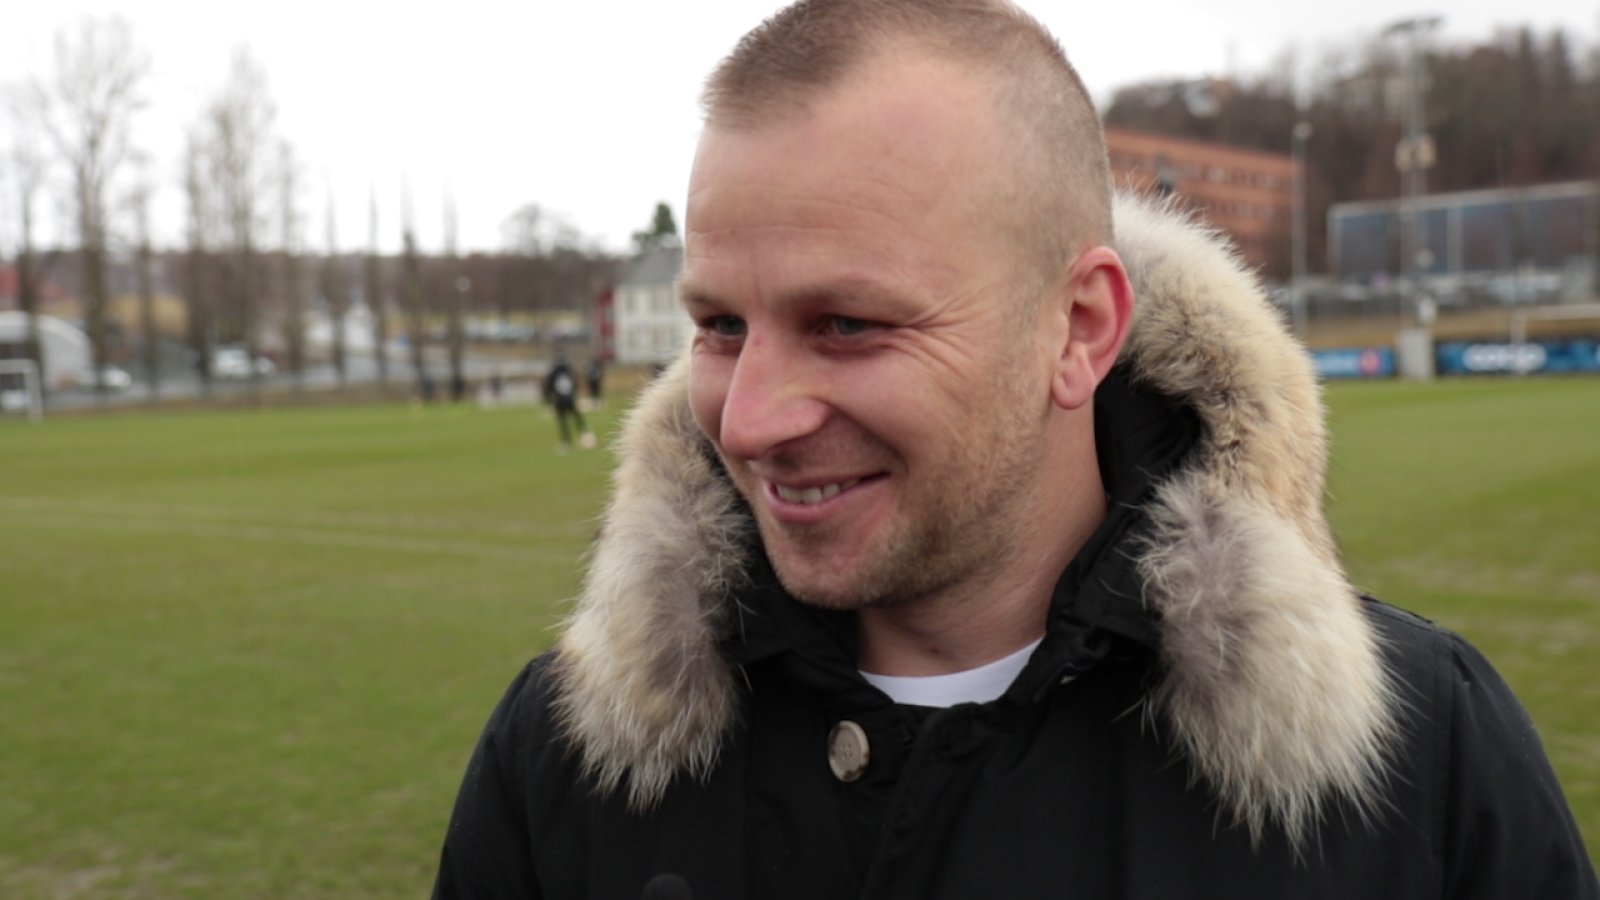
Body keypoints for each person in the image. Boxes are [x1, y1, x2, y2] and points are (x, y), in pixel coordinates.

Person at [434, 2, 1598, 897]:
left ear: (1078, 329)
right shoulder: (566, 754)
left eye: (849, 324)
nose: (746, 420)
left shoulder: (1420, 757)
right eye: (720, 326)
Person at [543, 352, 593, 451]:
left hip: (560, 400)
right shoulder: (569, 370)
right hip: (569, 399)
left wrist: (548, 399)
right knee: (576, 418)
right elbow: (575, 384)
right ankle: (584, 435)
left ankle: (567, 441)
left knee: (564, 421)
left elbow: (549, 386)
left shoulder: (555, 372)